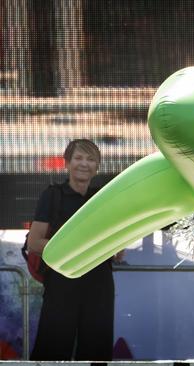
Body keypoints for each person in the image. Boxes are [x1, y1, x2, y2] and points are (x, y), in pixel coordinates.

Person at [27, 139, 118, 361]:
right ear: (67, 163)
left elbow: (116, 246)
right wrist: (73, 249)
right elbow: (34, 242)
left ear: (97, 167)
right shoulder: (53, 195)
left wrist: (116, 246)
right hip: (61, 283)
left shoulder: (103, 198)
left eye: (90, 159)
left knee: (97, 350)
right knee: (53, 347)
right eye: (78, 158)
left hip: (99, 284)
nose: (84, 164)